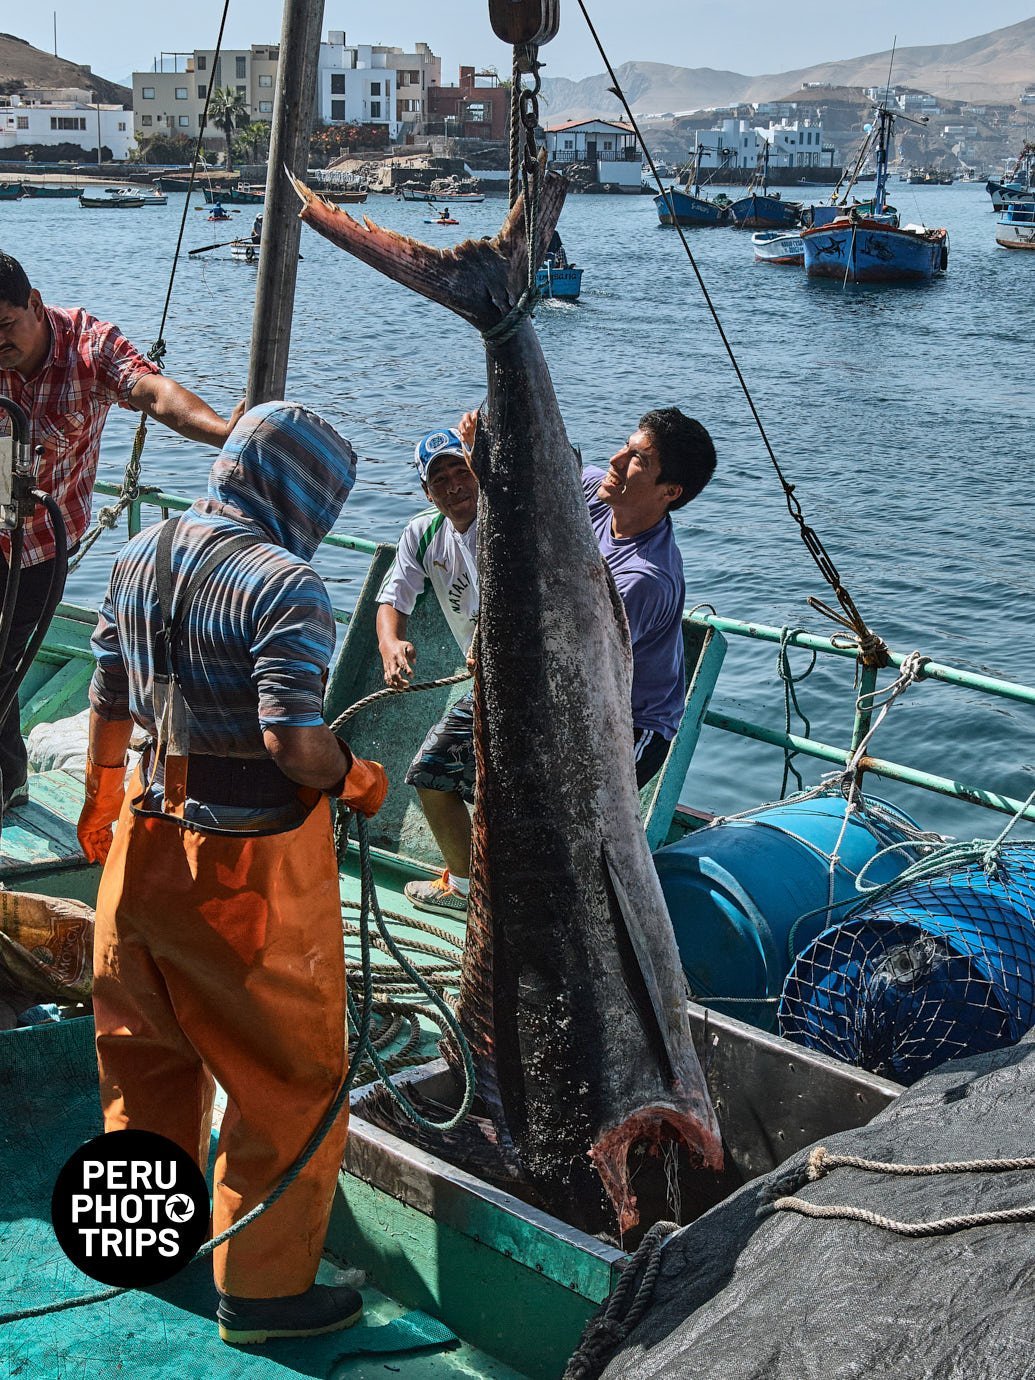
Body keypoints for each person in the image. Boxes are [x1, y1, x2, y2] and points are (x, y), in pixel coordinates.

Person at [78, 401, 388, 1345]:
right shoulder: (284, 585)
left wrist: (98, 804)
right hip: (243, 871)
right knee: (282, 1080)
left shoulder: (139, 552)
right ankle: (261, 1294)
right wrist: (359, 778)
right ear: (306, 494)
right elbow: (292, 744)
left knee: (143, 1051)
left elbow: (107, 696)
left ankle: (140, 1244)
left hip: (138, 842)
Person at [378, 408, 716, 917]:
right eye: (624, 446)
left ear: (671, 492)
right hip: (533, 685)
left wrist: (497, 640)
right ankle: (470, 895)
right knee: (432, 772)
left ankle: (547, 925)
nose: (616, 460)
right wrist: (482, 450)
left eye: (638, 460)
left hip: (620, 721)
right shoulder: (592, 492)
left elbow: (573, 659)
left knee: (553, 831)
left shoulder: (645, 578)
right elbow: (521, 485)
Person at [0, 250, 244, 812]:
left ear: (34, 305)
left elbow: (152, 392)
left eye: (6, 326)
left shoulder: (90, 347)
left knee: (3, 666)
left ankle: (6, 784)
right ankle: (8, 780)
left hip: (41, 548)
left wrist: (221, 431)